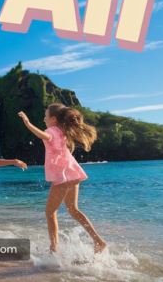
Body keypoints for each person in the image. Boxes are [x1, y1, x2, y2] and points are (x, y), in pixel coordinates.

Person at [18, 104, 107, 254]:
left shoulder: (51, 130)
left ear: (53, 119)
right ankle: (98, 241)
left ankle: (53, 249)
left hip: (63, 176)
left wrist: (27, 123)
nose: (44, 119)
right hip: (73, 173)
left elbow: (44, 135)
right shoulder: (62, 131)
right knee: (73, 210)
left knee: (50, 212)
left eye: (45, 116)